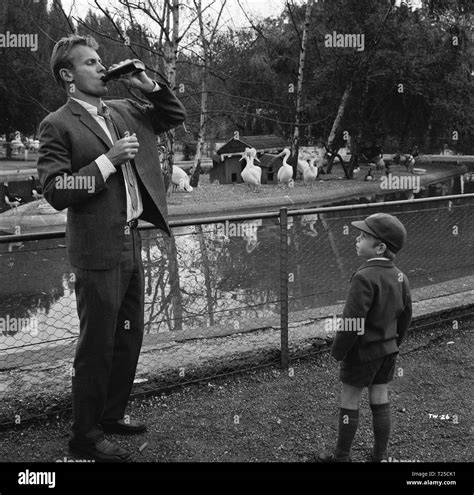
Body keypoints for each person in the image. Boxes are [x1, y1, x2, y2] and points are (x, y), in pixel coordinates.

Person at [37, 35, 186, 462]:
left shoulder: (122, 110)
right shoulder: (58, 124)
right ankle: (83, 436)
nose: (102, 68)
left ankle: (110, 413)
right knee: (97, 345)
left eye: (102, 61)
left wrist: (146, 85)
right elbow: (56, 190)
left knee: (128, 338)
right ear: (68, 76)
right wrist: (108, 161)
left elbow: (173, 115)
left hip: (131, 240)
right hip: (97, 252)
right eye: (90, 63)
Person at [317, 212, 412, 462]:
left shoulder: (364, 277)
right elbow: (405, 318)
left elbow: (352, 322)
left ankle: (342, 456)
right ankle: (379, 455)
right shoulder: (401, 277)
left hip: (362, 353)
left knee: (349, 399)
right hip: (387, 351)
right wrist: (393, 343)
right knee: (380, 398)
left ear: (379, 247)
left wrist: (338, 351)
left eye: (362, 237)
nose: (356, 240)